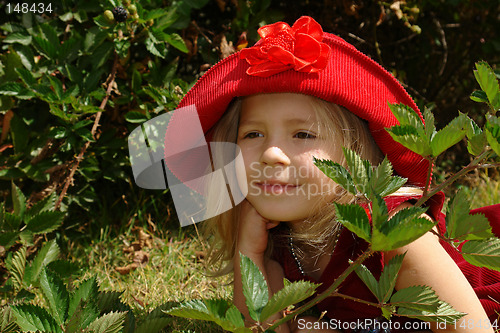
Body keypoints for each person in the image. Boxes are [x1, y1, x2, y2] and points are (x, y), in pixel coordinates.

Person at [164, 16, 500, 332]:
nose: (270, 154)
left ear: (355, 156)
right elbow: (261, 327)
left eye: (303, 135)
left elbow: (471, 327)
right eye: (253, 134)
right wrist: (248, 253)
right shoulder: (276, 240)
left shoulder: (392, 231)